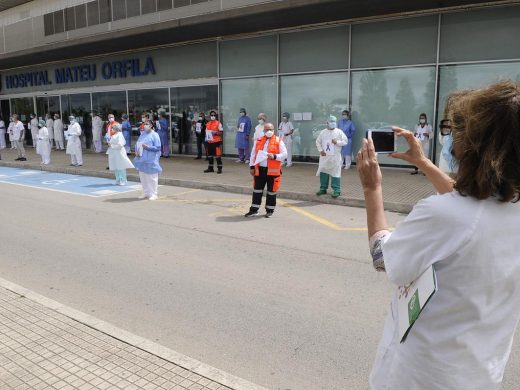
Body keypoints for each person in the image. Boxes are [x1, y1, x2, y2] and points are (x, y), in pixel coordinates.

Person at [357, 80, 520, 390]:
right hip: (480, 374)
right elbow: (475, 209)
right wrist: (423, 163)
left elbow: (384, 259)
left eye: (455, 132)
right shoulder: (506, 208)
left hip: (422, 376)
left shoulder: (442, 214)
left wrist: (371, 189)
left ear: (471, 146)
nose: (451, 139)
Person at [245, 122, 287, 218]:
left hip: (273, 171)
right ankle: (254, 210)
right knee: (257, 190)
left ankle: (270, 210)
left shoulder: (278, 140)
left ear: (274, 130)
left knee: (271, 191)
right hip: (259, 170)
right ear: (263, 130)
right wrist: (251, 167)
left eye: (271, 129)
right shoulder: (258, 140)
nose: (269, 131)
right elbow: (253, 155)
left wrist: (275, 156)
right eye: (267, 129)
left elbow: (285, 154)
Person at [315, 115, 348, 198]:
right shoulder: (323, 132)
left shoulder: (339, 132)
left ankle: (336, 190)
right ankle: (323, 188)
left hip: (335, 157)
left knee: (335, 173)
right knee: (323, 171)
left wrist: (337, 142)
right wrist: (320, 150)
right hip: (325, 156)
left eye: (334, 122)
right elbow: (318, 142)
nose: (333, 123)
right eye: (331, 122)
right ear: (327, 123)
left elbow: (345, 141)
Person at [134, 121, 162, 200]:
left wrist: (148, 147)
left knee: (152, 178)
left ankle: (154, 194)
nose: (145, 126)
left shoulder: (155, 135)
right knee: (143, 177)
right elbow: (138, 144)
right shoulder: (142, 134)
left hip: (151, 159)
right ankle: (146, 192)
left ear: (151, 125)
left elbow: (158, 147)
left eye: (147, 124)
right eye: (144, 124)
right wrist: (136, 151)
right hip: (141, 159)